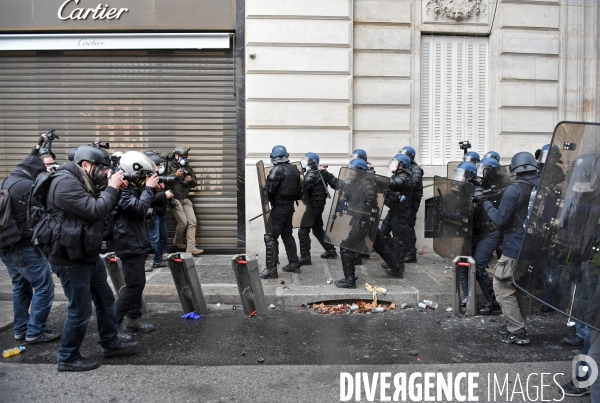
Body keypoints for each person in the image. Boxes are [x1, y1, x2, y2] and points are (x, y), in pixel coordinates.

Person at [37, 145, 138, 371]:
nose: (106, 174)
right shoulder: (64, 183)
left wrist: (115, 189)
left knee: (105, 299)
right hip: (69, 257)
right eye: (102, 170)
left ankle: (110, 343)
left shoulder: (83, 179)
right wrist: (111, 188)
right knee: (80, 308)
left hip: (86, 252)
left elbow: (102, 212)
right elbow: (94, 210)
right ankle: (68, 357)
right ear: (86, 165)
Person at [473, 152, 541, 344]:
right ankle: (518, 324)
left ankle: (517, 331)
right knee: (522, 287)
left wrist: (485, 203)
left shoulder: (514, 189)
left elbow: (500, 220)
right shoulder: (544, 187)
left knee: (503, 286)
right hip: (536, 247)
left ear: (514, 169)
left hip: (515, 246)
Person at [0, 156, 60, 344]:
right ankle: (35, 331)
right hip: (23, 246)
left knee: (20, 286)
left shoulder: (7, 181)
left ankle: (21, 329)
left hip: (6, 244)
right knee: (44, 286)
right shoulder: (27, 186)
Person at [320, 158, 403, 287]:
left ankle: (349, 279)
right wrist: (325, 173)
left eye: (352, 170)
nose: (350, 172)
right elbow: (340, 185)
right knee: (380, 245)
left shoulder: (364, 184)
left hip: (362, 221)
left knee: (346, 247)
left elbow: (363, 204)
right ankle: (397, 268)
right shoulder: (362, 181)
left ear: (359, 171)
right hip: (368, 222)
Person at [112, 151, 159, 333]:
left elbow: (142, 208)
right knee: (133, 286)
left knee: (137, 284)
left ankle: (133, 319)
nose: (144, 178)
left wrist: (153, 191)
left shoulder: (129, 184)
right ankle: (112, 327)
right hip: (128, 242)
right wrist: (148, 188)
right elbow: (138, 208)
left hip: (134, 240)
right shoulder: (122, 186)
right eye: (143, 174)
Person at [454, 161, 501, 315]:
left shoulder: (478, 191)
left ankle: (492, 301)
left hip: (488, 233)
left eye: (462, 175)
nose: (459, 178)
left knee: (479, 267)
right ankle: (468, 297)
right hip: (474, 233)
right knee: (463, 263)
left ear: (470, 177)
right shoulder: (461, 190)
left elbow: (470, 212)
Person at [260, 145, 303, 279]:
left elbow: (269, 190)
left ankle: (271, 270)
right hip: (289, 207)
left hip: (279, 207)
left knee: (271, 237)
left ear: (273, 157)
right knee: (287, 235)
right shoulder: (294, 169)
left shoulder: (277, 170)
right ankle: (294, 263)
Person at [297, 152, 337, 264]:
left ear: (311, 162)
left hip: (313, 207)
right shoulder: (316, 173)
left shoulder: (311, 174)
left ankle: (305, 257)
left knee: (303, 231)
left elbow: (302, 189)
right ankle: (330, 250)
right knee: (317, 229)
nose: (303, 162)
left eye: (306, 160)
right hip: (317, 207)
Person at [165, 147, 203, 255]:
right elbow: (162, 180)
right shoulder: (169, 166)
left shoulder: (188, 167)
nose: (185, 159)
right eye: (183, 157)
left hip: (185, 198)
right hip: (174, 198)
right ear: (176, 156)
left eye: (186, 157)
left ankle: (191, 247)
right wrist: (175, 175)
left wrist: (191, 180)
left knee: (193, 222)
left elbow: (195, 182)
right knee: (183, 222)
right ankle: (177, 241)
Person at [380, 154, 413, 277]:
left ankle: (398, 268)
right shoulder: (397, 175)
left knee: (399, 240)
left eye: (396, 163)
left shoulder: (404, 177)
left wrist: (378, 180)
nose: (393, 165)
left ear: (402, 166)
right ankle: (392, 260)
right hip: (394, 211)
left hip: (401, 213)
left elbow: (394, 183)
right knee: (382, 234)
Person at [145, 151, 173, 270]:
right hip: (152, 213)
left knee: (163, 236)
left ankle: (158, 260)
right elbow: (147, 198)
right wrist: (163, 195)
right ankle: (147, 261)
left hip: (160, 211)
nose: (160, 167)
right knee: (153, 239)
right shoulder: (145, 179)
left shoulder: (157, 177)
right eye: (158, 164)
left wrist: (163, 191)